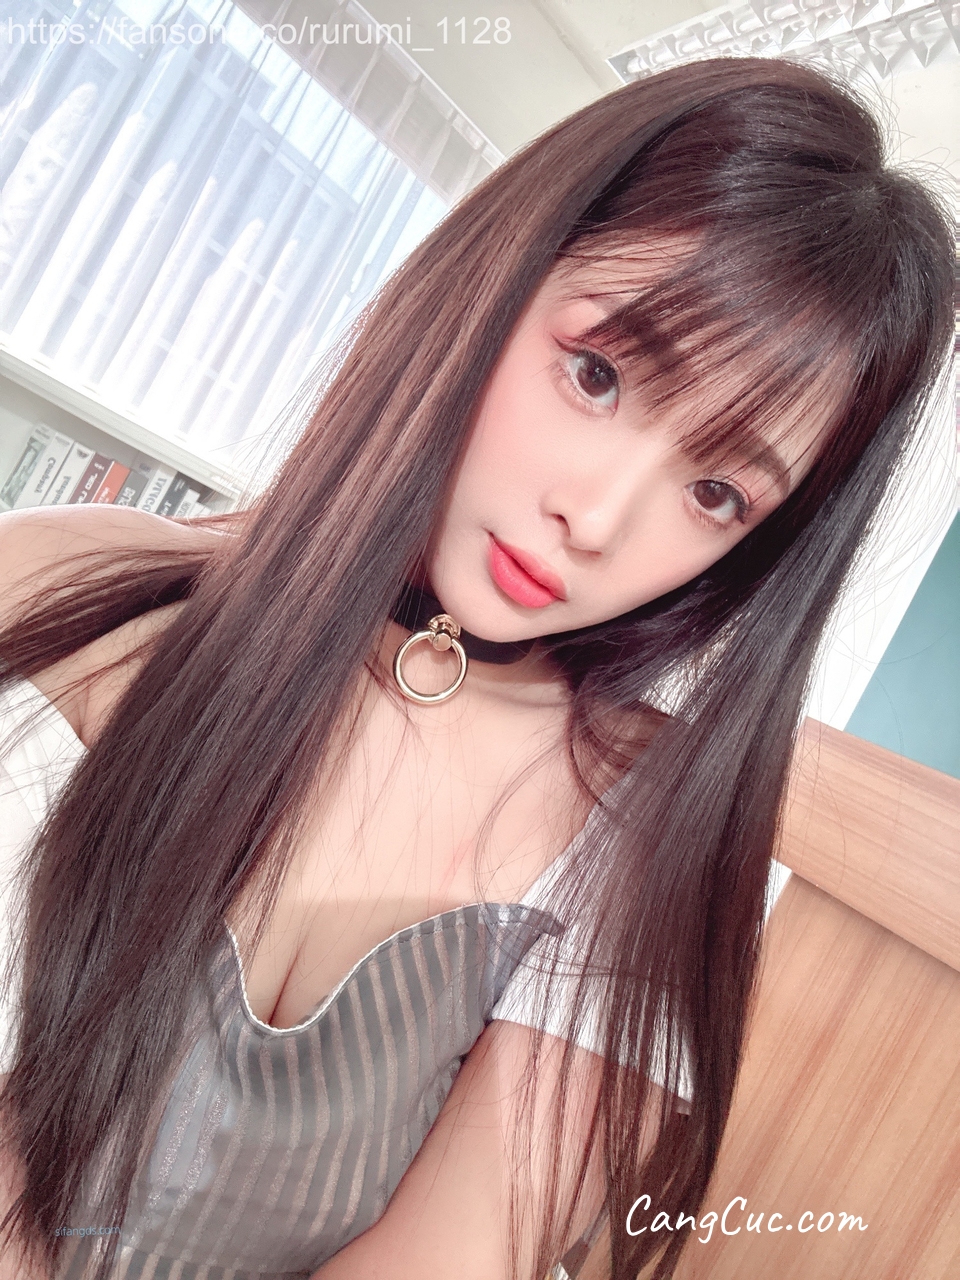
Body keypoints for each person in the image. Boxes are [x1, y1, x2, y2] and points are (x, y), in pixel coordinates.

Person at [0, 55, 952, 1280]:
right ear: (498, 274)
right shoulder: (63, 584)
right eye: (597, 372)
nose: (595, 517)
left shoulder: (643, 842)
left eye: (717, 490)